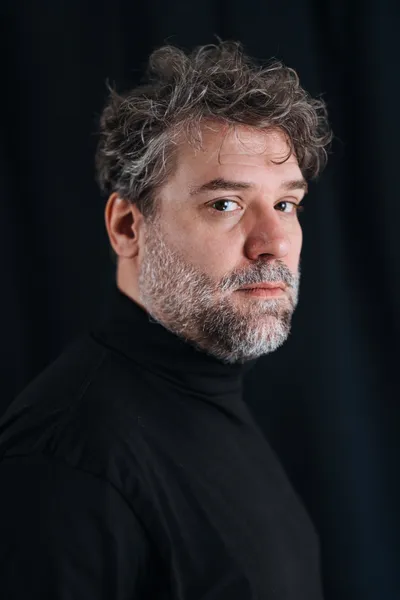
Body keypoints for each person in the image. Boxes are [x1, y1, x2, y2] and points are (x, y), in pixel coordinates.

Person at [0, 41, 332, 599]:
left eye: (285, 205)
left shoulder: (211, 395)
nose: (273, 243)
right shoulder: (68, 459)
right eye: (225, 204)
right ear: (127, 227)